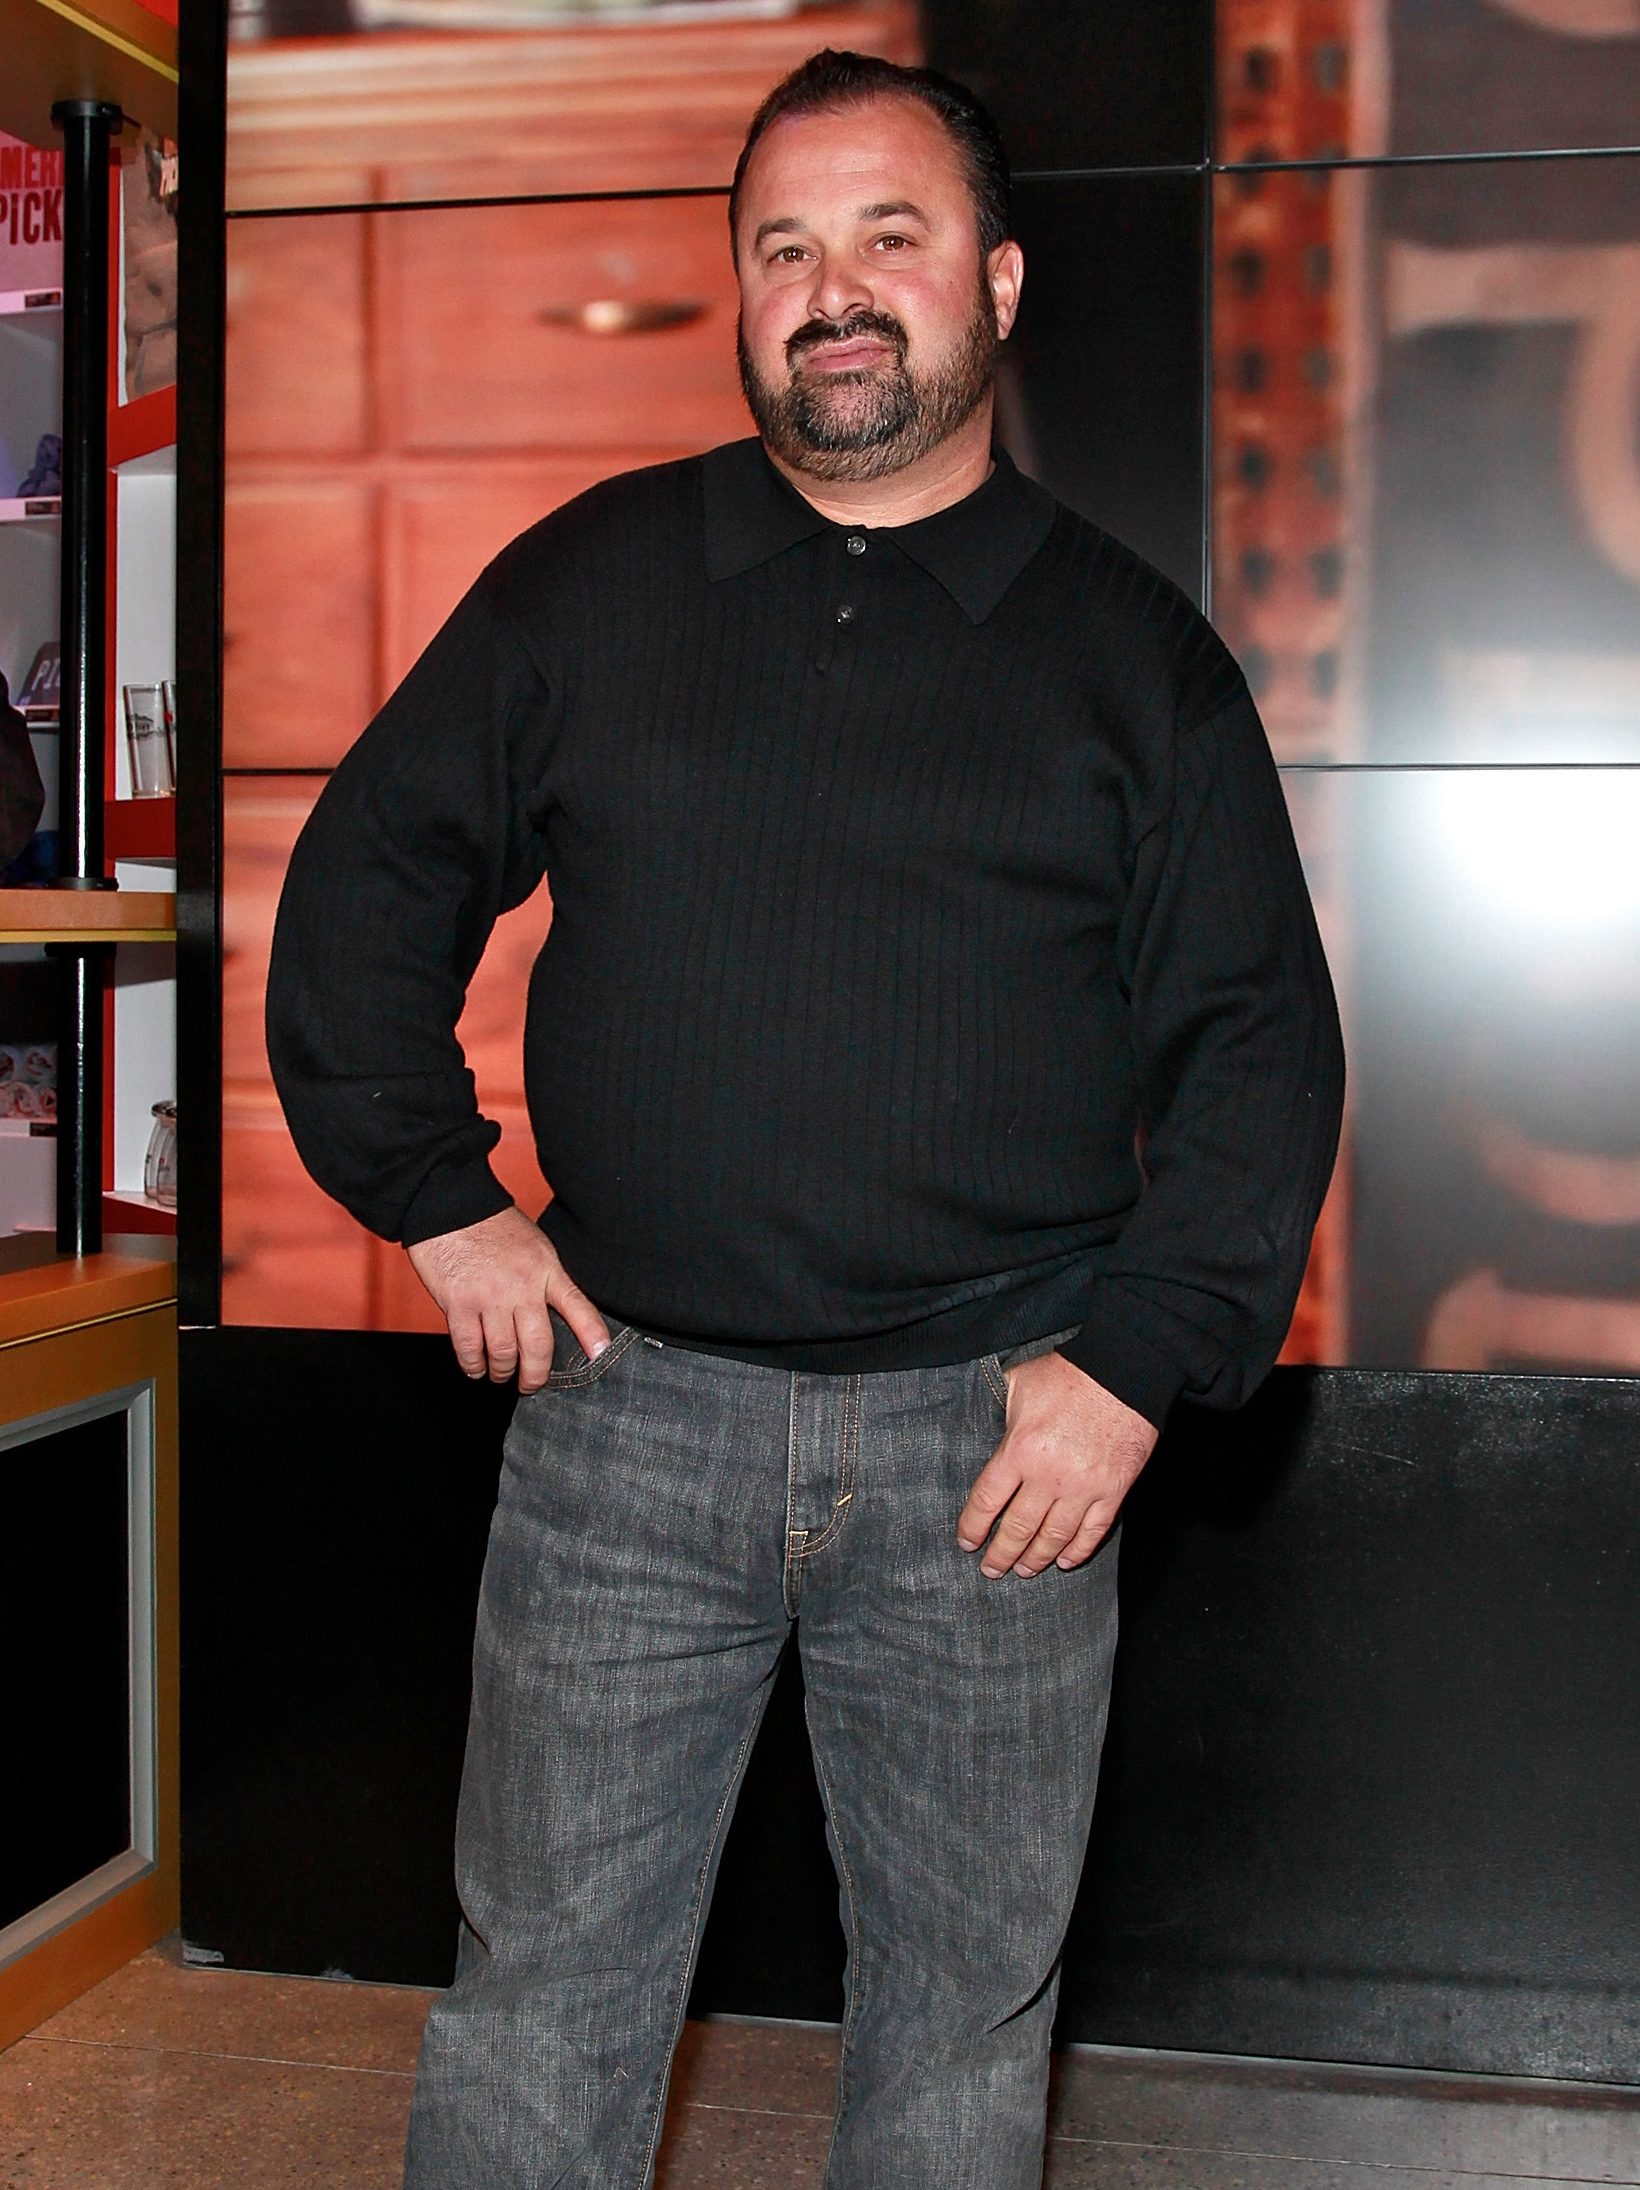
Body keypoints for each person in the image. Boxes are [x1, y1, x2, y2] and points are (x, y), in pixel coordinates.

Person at [266, 48, 1344, 2190]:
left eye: (889, 238)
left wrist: (1132, 1374)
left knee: (957, 2039)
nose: (832, 290)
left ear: (998, 285)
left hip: (995, 1463)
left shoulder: (1136, 661)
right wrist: (438, 1201)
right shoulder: (587, 584)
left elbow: (1258, 1048)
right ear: (741, 296)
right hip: (623, 1425)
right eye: (783, 248)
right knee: (539, 2017)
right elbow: (368, 886)